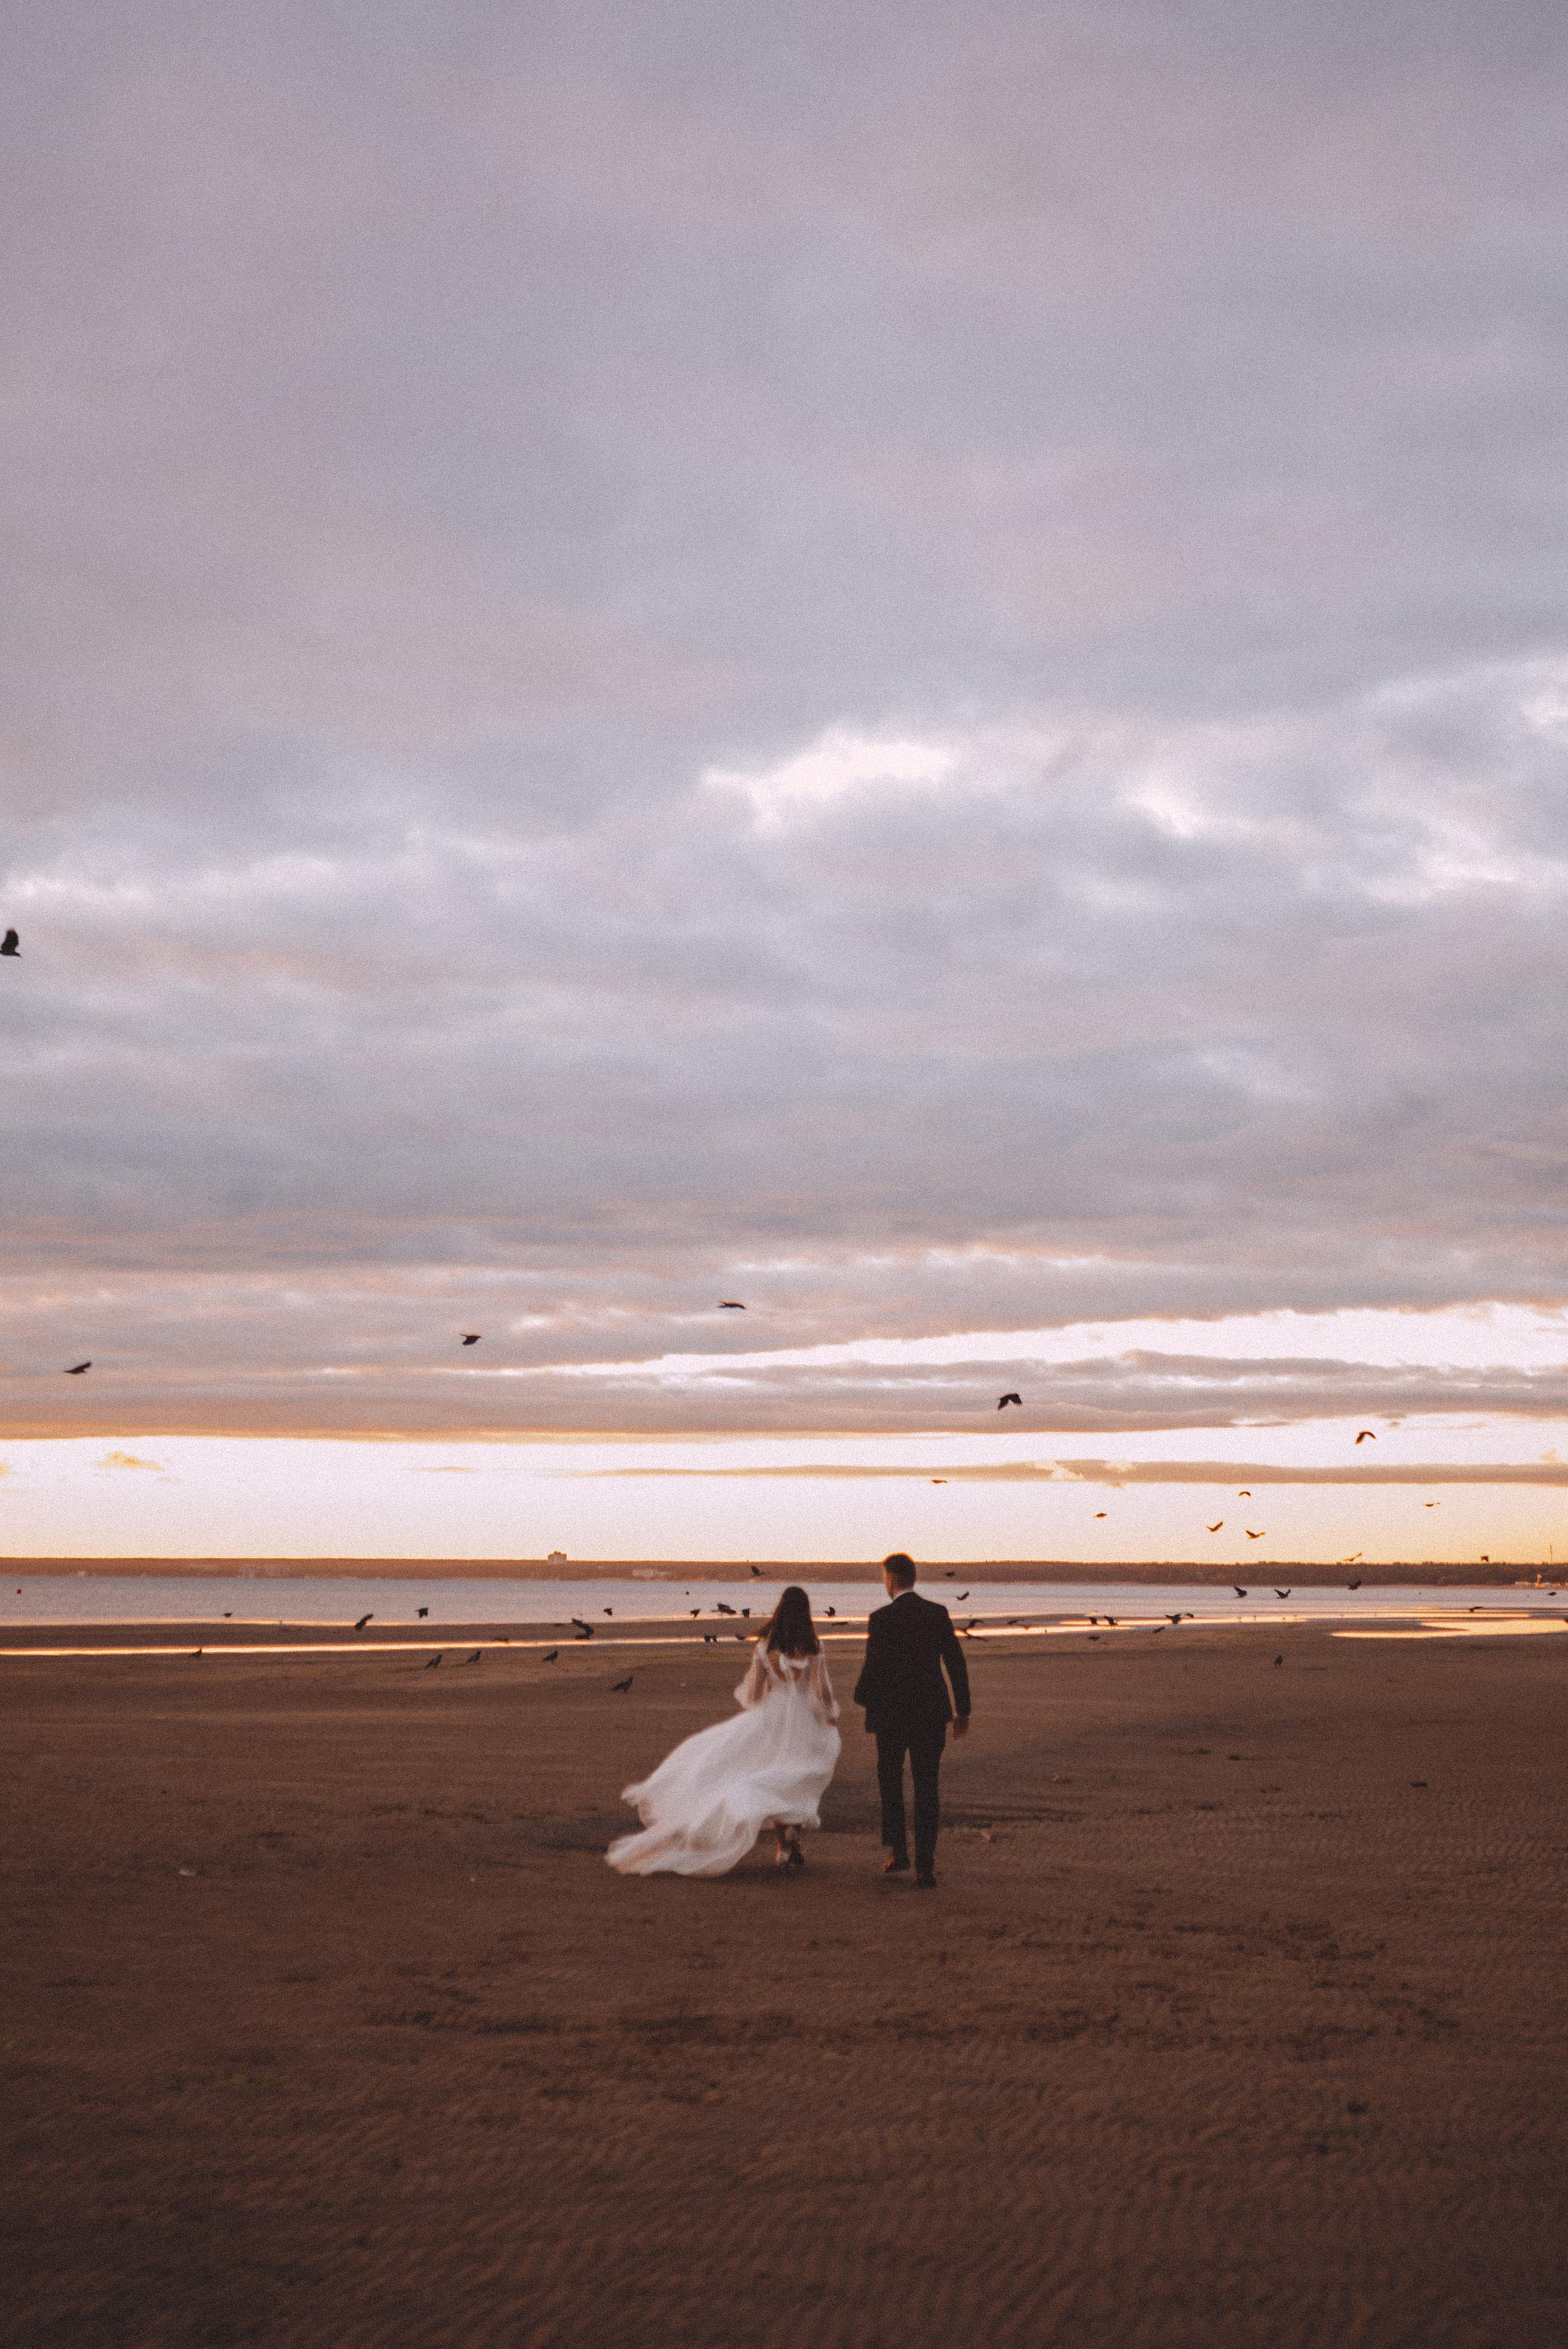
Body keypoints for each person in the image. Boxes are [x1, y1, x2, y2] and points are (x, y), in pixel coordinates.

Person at [606, 1585, 840, 1877]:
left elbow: (754, 1695)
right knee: (790, 1775)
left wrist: (770, 1689)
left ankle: (784, 1846)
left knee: (766, 1771)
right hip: (803, 1722)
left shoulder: (764, 1647)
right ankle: (788, 1841)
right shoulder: (814, 1647)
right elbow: (821, 1693)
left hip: (771, 1718)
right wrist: (829, 1717)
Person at [853, 1551, 971, 1888]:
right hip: (931, 1714)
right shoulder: (937, 1614)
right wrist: (964, 1710)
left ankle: (899, 1853)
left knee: (891, 1783)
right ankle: (925, 1866)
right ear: (913, 1578)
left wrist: (861, 1695)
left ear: (890, 1579)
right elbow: (955, 1663)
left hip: (891, 1716)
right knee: (926, 1787)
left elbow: (873, 1669)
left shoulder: (881, 1619)